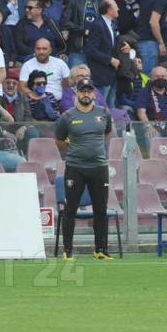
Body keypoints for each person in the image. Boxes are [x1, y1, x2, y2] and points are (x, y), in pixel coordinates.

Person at [55, 78, 114, 260]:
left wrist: (93, 149)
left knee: (101, 209)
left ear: (94, 94)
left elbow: (107, 133)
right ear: (77, 94)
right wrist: (77, 150)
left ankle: (100, 249)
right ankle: (68, 250)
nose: (86, 94)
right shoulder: (67, 116)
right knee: (70, 208)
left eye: (89, 91)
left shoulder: (104, 113)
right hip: (75, 167)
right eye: (83, 91)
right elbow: (59, 141)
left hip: (99, 167)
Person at [85, 0, 123, 108]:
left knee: (109, 107)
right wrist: (110, 59)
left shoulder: (112, 24)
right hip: (101, 74)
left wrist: (124, 46)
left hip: (111, 75)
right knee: (99, 107)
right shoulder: (98, 25)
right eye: (116, 7)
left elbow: (111, 45)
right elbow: (91, 50)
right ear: (109, 10)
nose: (118, 9)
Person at [61, 0, 100, 68]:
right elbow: (64, 21)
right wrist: (83, 31)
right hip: (77, 49)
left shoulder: (100, 1)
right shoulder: (73, 1)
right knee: (75, 80)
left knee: (95, 82)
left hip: (98, 49)